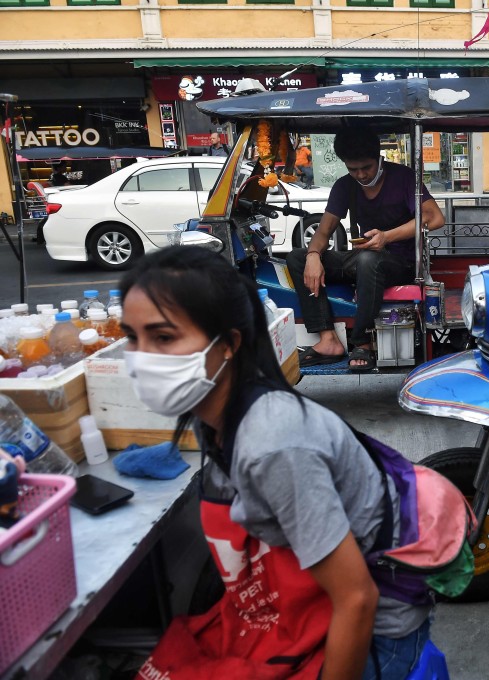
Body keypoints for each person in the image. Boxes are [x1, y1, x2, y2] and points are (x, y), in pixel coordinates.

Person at [121, 247, 434, 679]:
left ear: (229, 344)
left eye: (164, 338)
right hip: (303, 603)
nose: (141, 357)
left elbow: (355, 598)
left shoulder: (273, 445)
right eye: (132, 338)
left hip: (372, 632)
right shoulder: (213, 412)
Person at [285, 128, 445, 371]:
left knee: (369, 259)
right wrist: (314, 255)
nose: (360, 174)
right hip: (364, 258)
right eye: (353, 169)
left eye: (366, 168)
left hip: (401, 262)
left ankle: (362, 342)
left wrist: (387, 237)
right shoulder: (345, 186)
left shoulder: (403, 178)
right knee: (298, 257)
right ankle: (328, 340)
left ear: (379, 158)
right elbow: (324, 231)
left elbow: (435, 218)